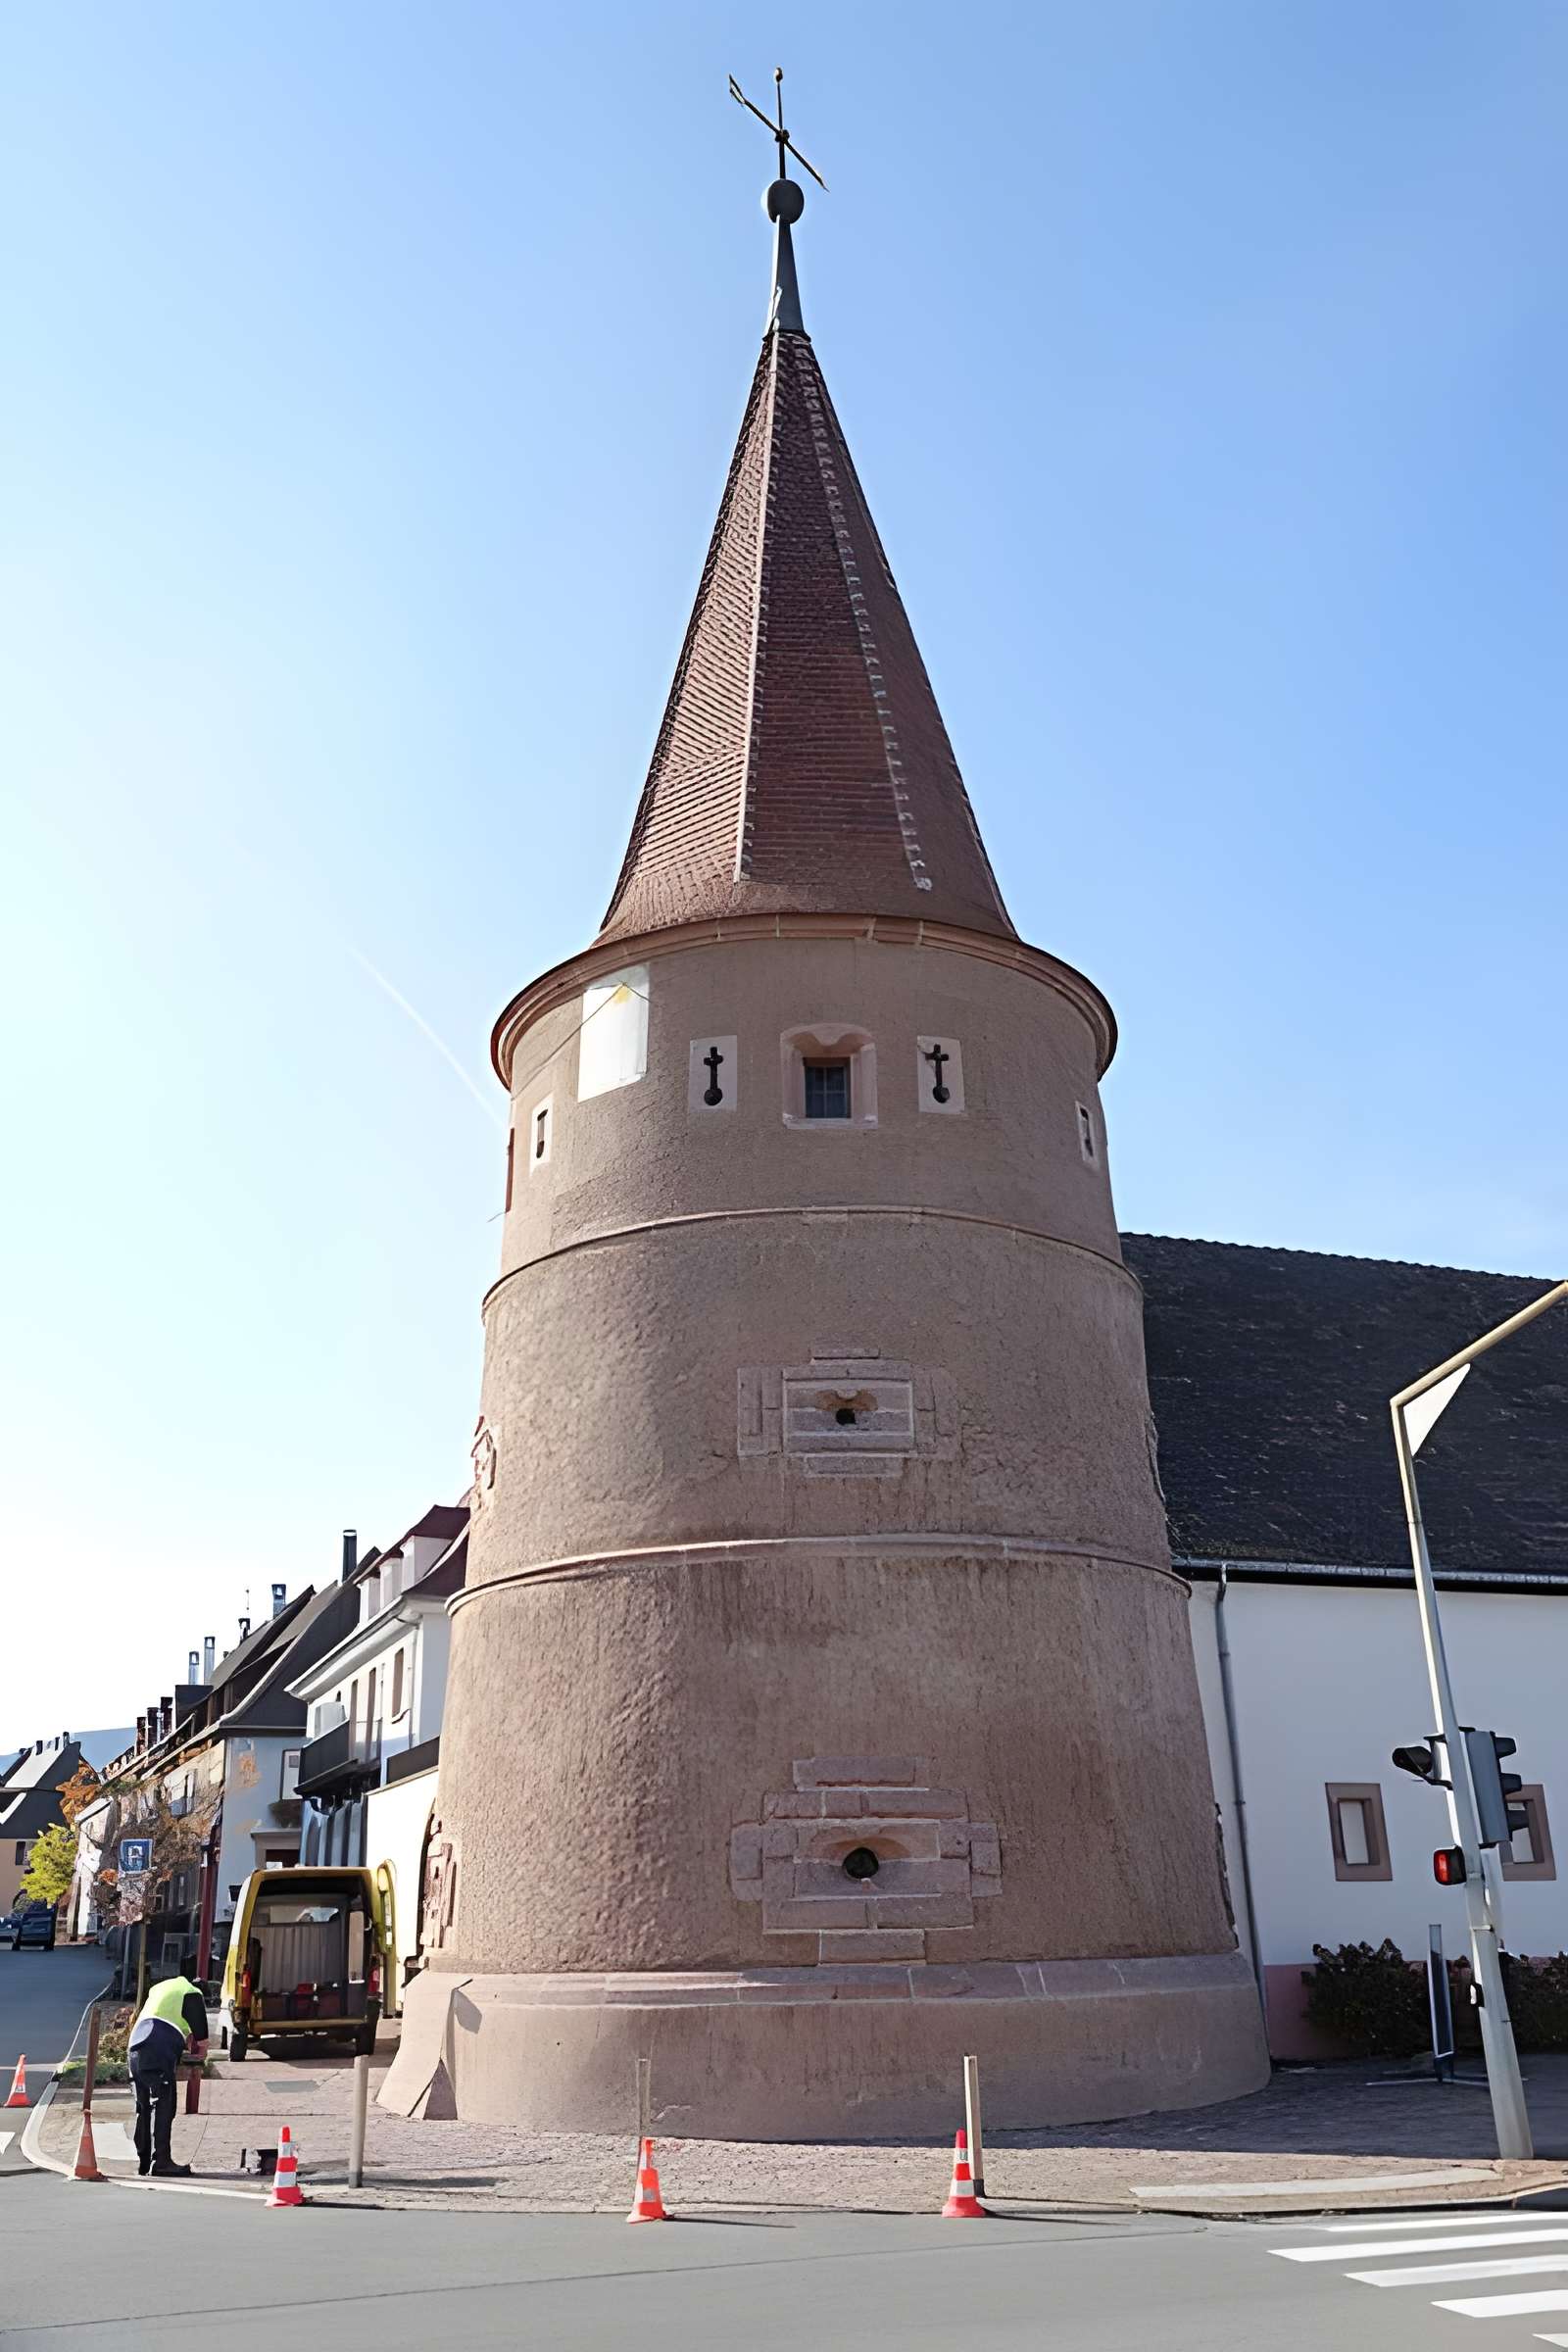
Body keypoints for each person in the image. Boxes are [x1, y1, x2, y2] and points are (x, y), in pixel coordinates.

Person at [127, 1968, 209, 2178]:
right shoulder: (191, 1992)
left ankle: (144, 2162)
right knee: (164, 2104)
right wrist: (199, 2050)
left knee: (143, 2106)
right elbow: (201, 2040)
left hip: (136, 2045)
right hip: (157, 2045)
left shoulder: (161, 1988)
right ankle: (162, 2162)